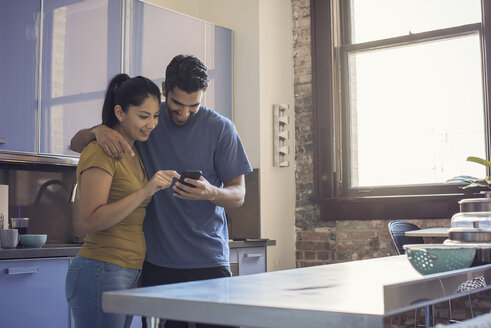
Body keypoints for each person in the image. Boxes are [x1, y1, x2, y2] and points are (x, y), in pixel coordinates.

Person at [70, 55, 252, 328]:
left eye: (194, 106)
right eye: (178, 104)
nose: (184, 114)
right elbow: (76, 143)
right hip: (158, 265)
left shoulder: (221, 129)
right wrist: (99, 131)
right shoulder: (148, 121)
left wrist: (210, 192)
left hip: (209, 260)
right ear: (165, 88)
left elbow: (238, 194)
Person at [65, 73, 180, 328]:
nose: (151, 124)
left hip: (126, 271)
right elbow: (90, 219)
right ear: (119, 112)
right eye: (143, 116)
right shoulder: (102, 150)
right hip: (101, 270)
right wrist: (146, 190)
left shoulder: (134, 150)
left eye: (155, 116)